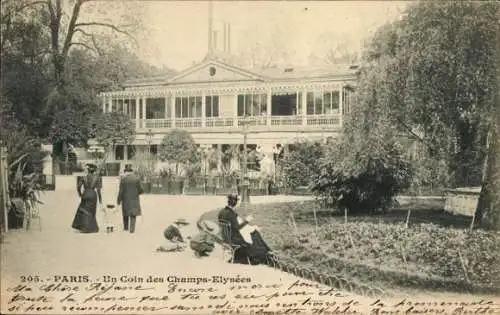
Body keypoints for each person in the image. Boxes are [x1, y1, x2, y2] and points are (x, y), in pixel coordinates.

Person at [217, 194, 273, 265]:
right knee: (255, 233)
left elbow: (232, 224)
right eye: (236, 201)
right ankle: (265, 251)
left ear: (228, 202)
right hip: (234, 239)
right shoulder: (231, 214)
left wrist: (238, 218)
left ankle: (266, 250)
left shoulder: (221, 212)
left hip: (226, 238)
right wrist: (247, 221)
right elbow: (237, 228)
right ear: (235, 203)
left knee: (251, 231)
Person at [71, 163, 102, 233]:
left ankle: (83, 227)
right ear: (94, 170)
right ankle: (92, 228)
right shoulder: (97, 178)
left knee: (84, 210)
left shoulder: (83, 177)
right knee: (91, 211)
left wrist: (80, 194)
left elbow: (78, 187)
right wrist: (100, 200)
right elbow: (99, 190)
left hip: (85, 193)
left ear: (88, 170)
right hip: (93, 194)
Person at [117, 164, 144, 233]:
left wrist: (118, 200)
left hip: (125, 199)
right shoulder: (136, 179)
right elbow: (141, 190)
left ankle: (126, 227)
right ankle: (132, 229)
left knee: (125, 212)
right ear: (131, 171)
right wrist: (137, 193)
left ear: (125, 172)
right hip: (134, 198)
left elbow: (121, 191)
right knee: (133, 213)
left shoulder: (123, 179)